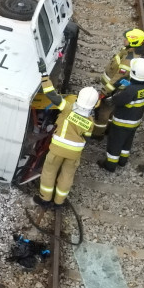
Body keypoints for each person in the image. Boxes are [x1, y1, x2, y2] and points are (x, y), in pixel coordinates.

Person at [36, 75, 99, 206]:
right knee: (67, 175)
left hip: (57, 149)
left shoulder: (67, 108)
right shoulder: (90, 121)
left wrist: (45, 78)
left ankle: (45, 198)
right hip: (74, 153)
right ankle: (59, 201)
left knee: (49, 171)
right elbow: (87, 136)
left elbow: (51, 95)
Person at [98, 57, 144, 172]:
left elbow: (118, 100)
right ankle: (123, 161)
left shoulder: (130, 90)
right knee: (127, 141)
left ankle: (110, 165)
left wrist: (115, 94)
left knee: (115, 142)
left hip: (122, 121)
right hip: (135, 121)